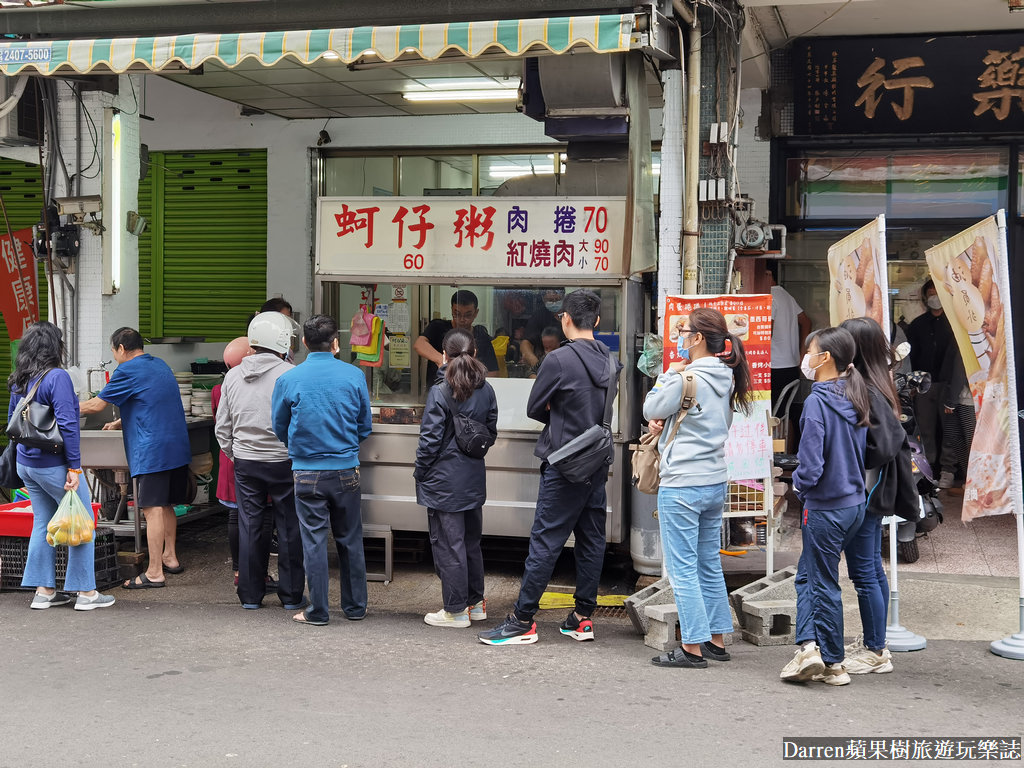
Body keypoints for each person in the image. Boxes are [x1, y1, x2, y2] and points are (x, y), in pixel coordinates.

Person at [479, 289, 621, 646]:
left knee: (545, 542)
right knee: (591, 541)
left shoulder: (557, 360)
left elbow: (533, 408)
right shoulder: (609, 358)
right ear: (598, 322)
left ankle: (522, 620)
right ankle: (582, 618)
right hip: (595, 461)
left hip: (564, 463)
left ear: (565, 319)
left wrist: (558, 412)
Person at [642, 308, 753, 668]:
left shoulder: (685, 378)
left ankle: (691, 647)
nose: (679, 336)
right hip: (714, 480)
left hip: (683, 484)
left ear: (698, 338)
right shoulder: (727, 376)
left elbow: (649, 407)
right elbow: (702, 421)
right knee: (708, 564)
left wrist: (667, 375)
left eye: (683, 330)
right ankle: (717, 641)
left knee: (683, 568)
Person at [780, 326, 870, 687]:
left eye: (811, 350)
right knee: (809, 576)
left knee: (822, 583)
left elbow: (812, 465)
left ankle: (833, 662)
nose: (807, 357)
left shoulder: (818, 401)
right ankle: (808, 648)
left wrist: (798, 485)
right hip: (854, 503)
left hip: (825, 506)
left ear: (826, 358)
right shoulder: (854, 393)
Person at [272, 314, 372, 626]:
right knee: (350, 539)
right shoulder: (354, 376)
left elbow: (279, 427)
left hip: (307, 473)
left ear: (303, 343)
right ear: (336, 344)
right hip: (346, 470)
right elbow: (364, 426)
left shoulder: (289, 379)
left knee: (313, 542)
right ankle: (355, 607)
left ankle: (318, 611)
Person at [8, 322, 115, 611]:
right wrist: (75, 468)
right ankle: (86, 593)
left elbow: (12, 422)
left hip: (26, 464)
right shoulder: (58, 377)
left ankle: (44, 592)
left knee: (43, 522)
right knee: (82, 522)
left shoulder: (20, 377)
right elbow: (69, 424)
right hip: (53, 465)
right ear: (55, 347)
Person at [81, 328, 192, 589]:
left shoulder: (127, 370)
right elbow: (152, 401)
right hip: (176, 445)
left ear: (121, 349)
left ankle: (154, 573)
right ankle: (170, 557)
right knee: (166, 505)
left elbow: (97, 405)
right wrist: (121, 421)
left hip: (153, 449)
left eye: (113, 351)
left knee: (151, 508)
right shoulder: (159, 364)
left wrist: (59, 404)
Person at [216, 313, 306, 611]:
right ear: (283, 341)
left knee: (251, 523)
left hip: (246, 462)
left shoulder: (232, 375)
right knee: (289, 526)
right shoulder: (290, 374)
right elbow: (300, 423)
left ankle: (250, 595)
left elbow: (222, 428)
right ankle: (291, 596)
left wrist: (238, 452)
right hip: (285, 461)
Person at [414, 328, 497, 628]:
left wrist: (420, 472)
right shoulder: (487, 389)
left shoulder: (440, 391)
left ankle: (455, 611)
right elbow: (491, 432)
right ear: (474, 353)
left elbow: (429, 442)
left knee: (450, 545)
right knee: (471, 543)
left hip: (443, 482)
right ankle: (475, 604)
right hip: (473, 478)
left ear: (444, 356)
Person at [840, 317, 902, 676]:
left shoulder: (863, 387)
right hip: (868, 489)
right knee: (870, 569)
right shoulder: (877, 382)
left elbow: (884, 444)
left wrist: (853, 459)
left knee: (863, 572)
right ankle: (874, 642)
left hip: (861, 491)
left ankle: (875, 650)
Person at [213, 336, 252, 586]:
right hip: (248, 456)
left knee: (235, 515)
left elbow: (220, 426)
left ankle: (239, 570)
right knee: (257, 516)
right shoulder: (248, 384)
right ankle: (251, 572)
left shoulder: (219, 388)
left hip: (230, 456)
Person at [905, 279, 954, 471]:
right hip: (924, 383)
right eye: (931, 294)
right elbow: (912, 355)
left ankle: (948, 469)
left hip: (949, 384)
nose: (935, 298)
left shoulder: (953, 324)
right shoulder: (918, 324)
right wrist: (913, 384)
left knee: (949, 429)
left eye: (937, 293)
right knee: (925, 427)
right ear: (925, 298)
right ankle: (929, 465)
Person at [413, 290, 498, 382]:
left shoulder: (481, 335)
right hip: (439, 391)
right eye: (457, 314)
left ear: (476, 313)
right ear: (451, 310)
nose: (462, 319)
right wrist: (442, 360)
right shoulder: (438, 327)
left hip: (469, 392)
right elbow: (419, 344)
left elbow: (493, 373)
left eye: (468, 315)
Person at [767, 261, 810, 406]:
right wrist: (801, 355)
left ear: (767, 274)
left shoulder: (770, 297)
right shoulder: (785, 295)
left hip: (775, 367)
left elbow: (768, 332)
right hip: (791, 365)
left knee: (774, 417)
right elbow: (806, 322)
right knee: (786, 415)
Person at [938, 342, 976, 490]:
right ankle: (970, 475)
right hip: (957, 395)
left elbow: (959, 370)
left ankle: (974, 479)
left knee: (971, 440)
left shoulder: (968, 339)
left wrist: (951, 401)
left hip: (968, 398)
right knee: (954, 434)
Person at [520, 288, 567, 369]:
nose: (554, 303)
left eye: (557, 299)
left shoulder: (571, 315)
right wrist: (535, 363)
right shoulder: (539, 316)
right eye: (550, 300)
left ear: (563, 297)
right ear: (543, 299)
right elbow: (525, 343)